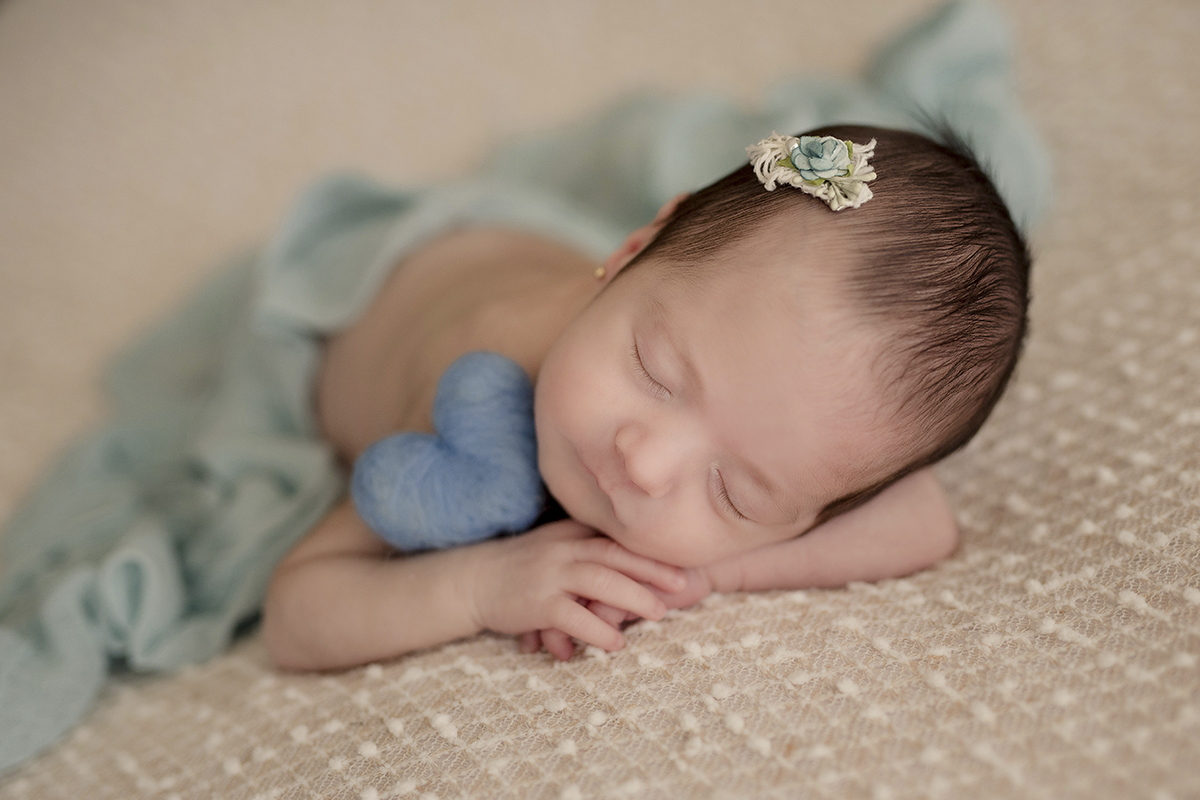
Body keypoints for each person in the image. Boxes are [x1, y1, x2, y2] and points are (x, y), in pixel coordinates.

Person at [261, 123, 1029, 671]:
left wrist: (702, 575)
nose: (647, 465)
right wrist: (478, 587)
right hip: (383, 290)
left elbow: (922, 519)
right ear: (628, 252)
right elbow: (298, 611)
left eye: (736, 494)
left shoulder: (749, 381)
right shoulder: (469, 392)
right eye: (654, 372)